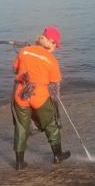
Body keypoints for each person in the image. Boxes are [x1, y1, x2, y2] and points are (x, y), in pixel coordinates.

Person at [11, 26, 70, 170]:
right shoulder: (50, 59)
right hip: (39, 97)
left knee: (20, 127)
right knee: (51, 124)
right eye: (55, 44)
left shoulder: (24, 50)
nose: (56, 47)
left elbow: (14, 70)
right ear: (50, 42)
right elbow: (55, 86)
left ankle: (19, 163)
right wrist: (56, 109)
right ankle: (58, 156)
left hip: (20, 95)